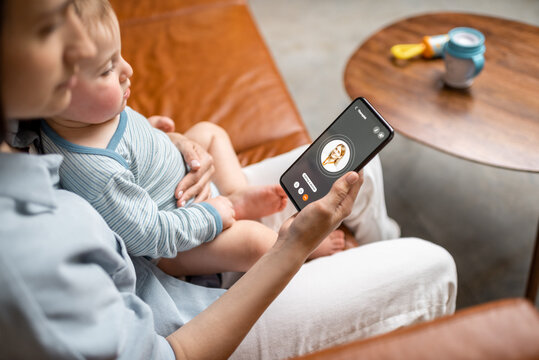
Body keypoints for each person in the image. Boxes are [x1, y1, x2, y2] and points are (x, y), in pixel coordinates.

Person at [0, 0, 457, 359]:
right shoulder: (25, 256)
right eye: (47, 28)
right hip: (177, 293)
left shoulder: (43, 117)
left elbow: (121, 140)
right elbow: (151, 251)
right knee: (432, 266)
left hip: (179, 200)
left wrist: (174, 140)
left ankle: (373, 254)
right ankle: (353, 268)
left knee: (362, 169)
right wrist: (285, 241)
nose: (73, 47)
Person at [38, 0, 346, 280]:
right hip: (178, 243)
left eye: (119, 57)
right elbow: (150, 236)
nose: (127, 70)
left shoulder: (88, 113)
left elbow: (130, 144)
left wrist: (153, 131)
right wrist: (212, 214)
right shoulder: (94, 172)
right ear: (57, 94)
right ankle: (302, 248)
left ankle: (236, 194)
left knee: (208, 131)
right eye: (108, 69)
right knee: (255, 241)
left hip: (179, 185)